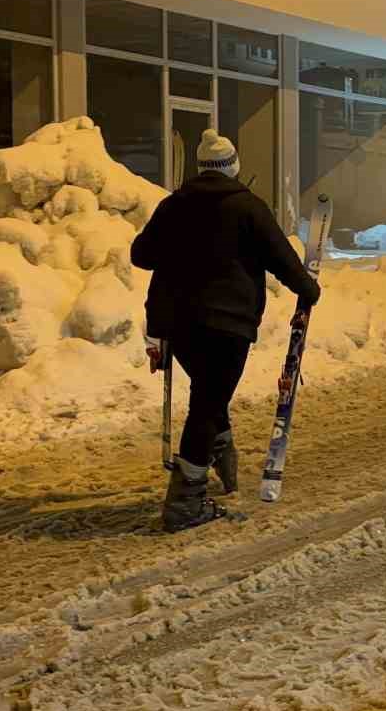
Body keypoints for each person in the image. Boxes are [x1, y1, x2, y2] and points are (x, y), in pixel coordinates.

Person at [131, 130, 321, 532]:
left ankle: (219, 451)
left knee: (207, 391)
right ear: (233, 167)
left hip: (176, 322)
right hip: (226, 323)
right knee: (206, 401)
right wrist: (308, 288)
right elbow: (281, 259)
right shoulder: (247, 207)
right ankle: (186, 500)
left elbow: (141, 255)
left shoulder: (172, 206)